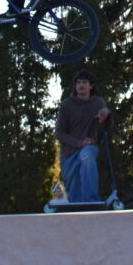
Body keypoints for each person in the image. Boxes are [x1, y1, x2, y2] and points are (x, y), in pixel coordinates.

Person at [54, 70, 112, 203]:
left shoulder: (98, 102)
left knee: (86, 156)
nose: (81, 85)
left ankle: (92, 200)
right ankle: (80, 207)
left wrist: (107, 114)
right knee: (75, 197)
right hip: (68, 154)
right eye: (78, 82)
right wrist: (79, 143)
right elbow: (59, 133)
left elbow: (106, 127)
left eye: (85, 82)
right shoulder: (66, 104)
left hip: (89, 148)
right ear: (75, 86)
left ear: (91, 86)